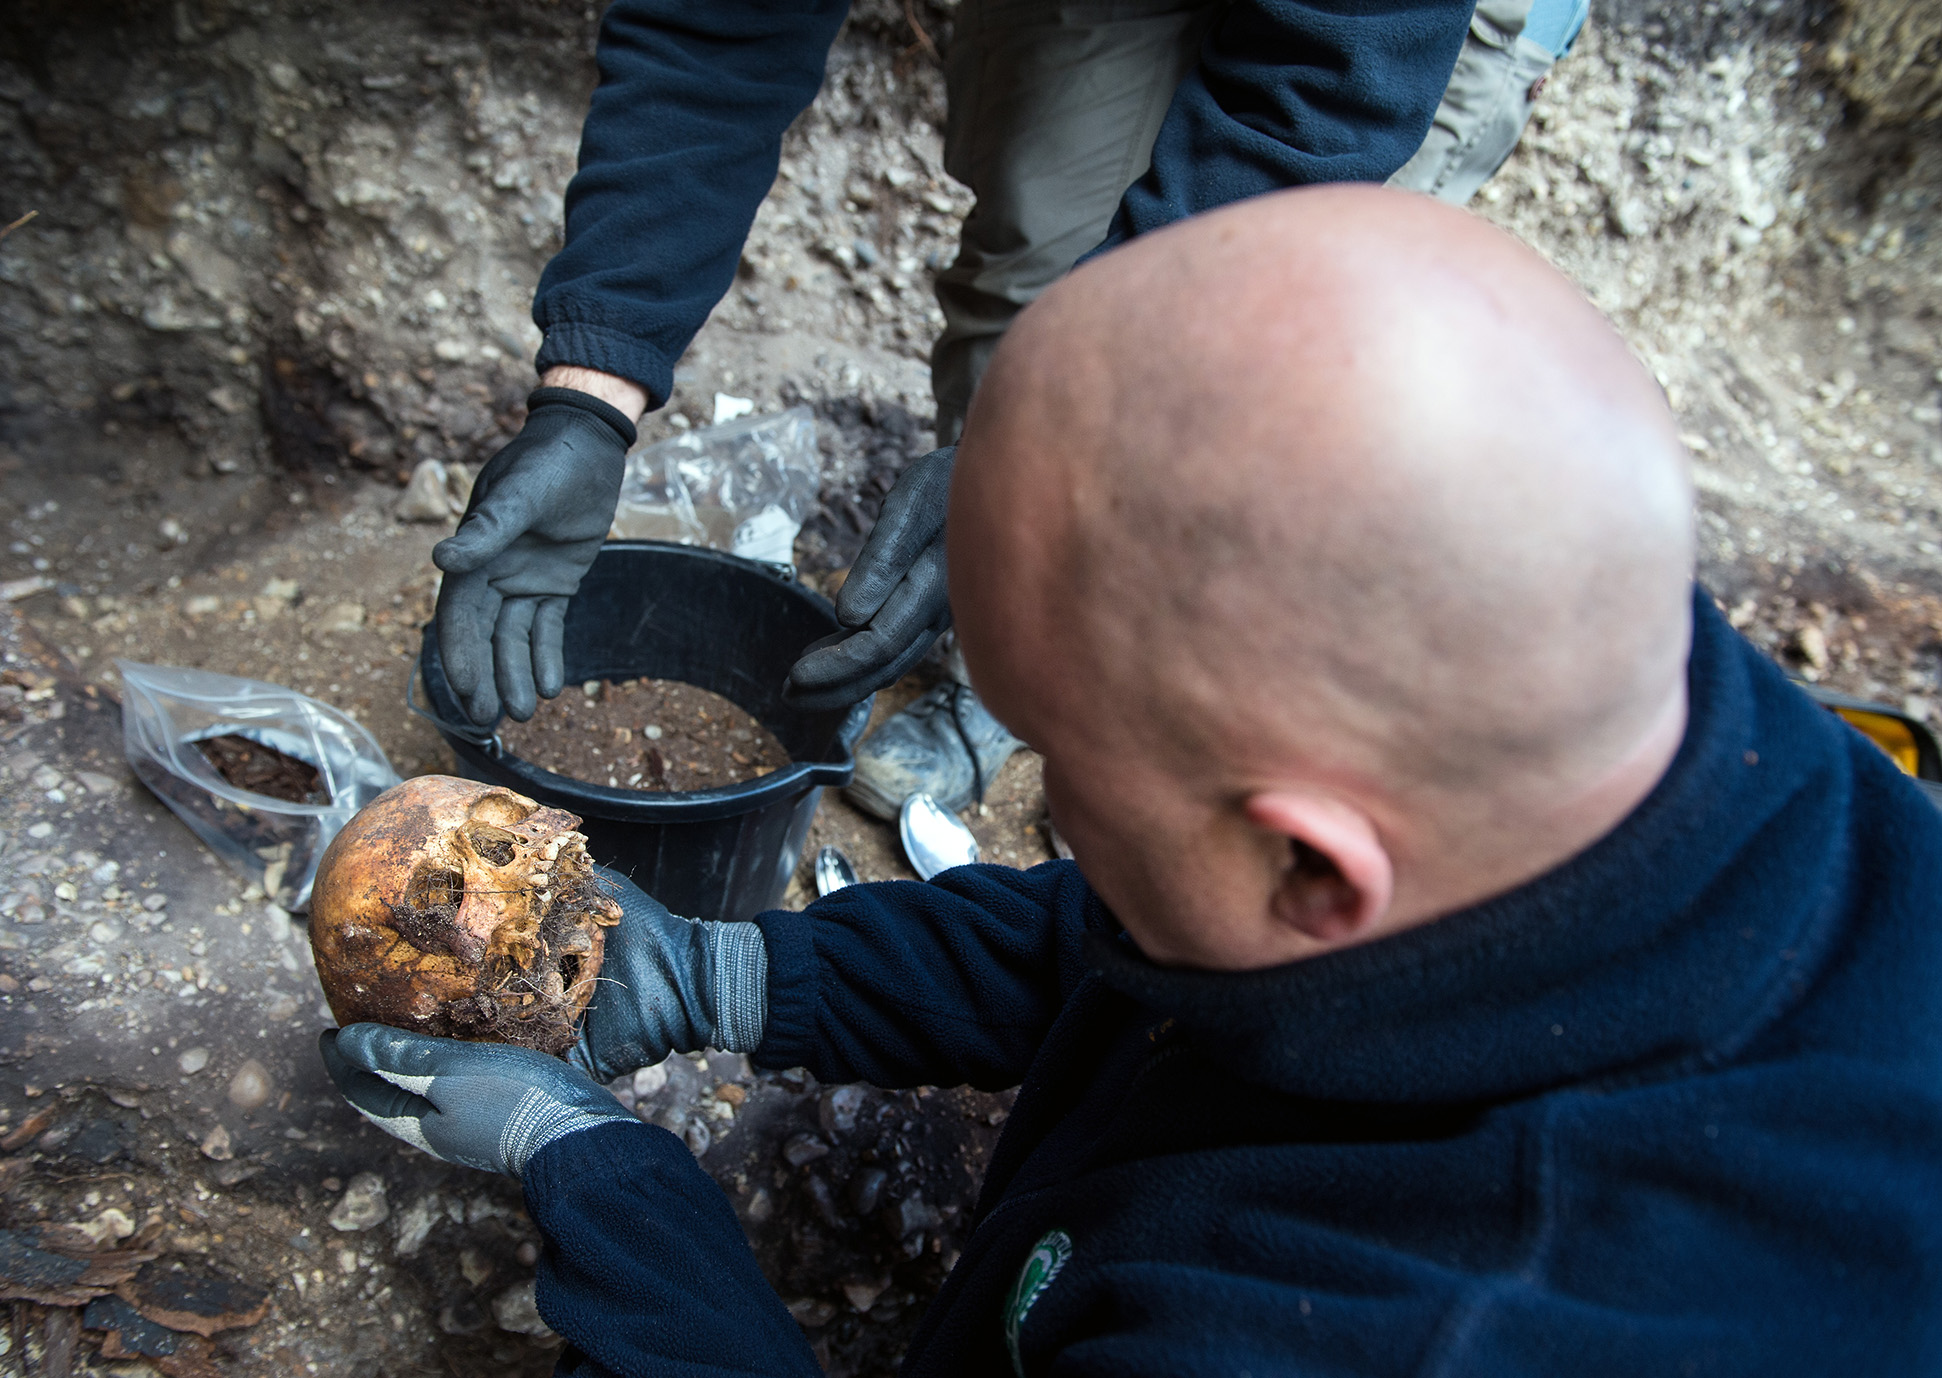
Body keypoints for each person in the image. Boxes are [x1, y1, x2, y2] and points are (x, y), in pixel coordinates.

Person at [323, 185, 1942, 1374]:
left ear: (1315, 867)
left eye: (1058, 758)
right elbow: (1137, 950)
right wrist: (732, 969)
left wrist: (612, 1185)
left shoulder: (1428, 1325)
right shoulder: (1638, 723)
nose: (1050, 810)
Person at [433, 0, 1592, 820]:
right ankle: (1011, 639)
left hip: (1376, 26)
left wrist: (1053, 452)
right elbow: (715, 32)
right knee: (1026, 298)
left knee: (1273, 368)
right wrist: (591, 393)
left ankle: (1156, 727)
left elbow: (1321, 98)